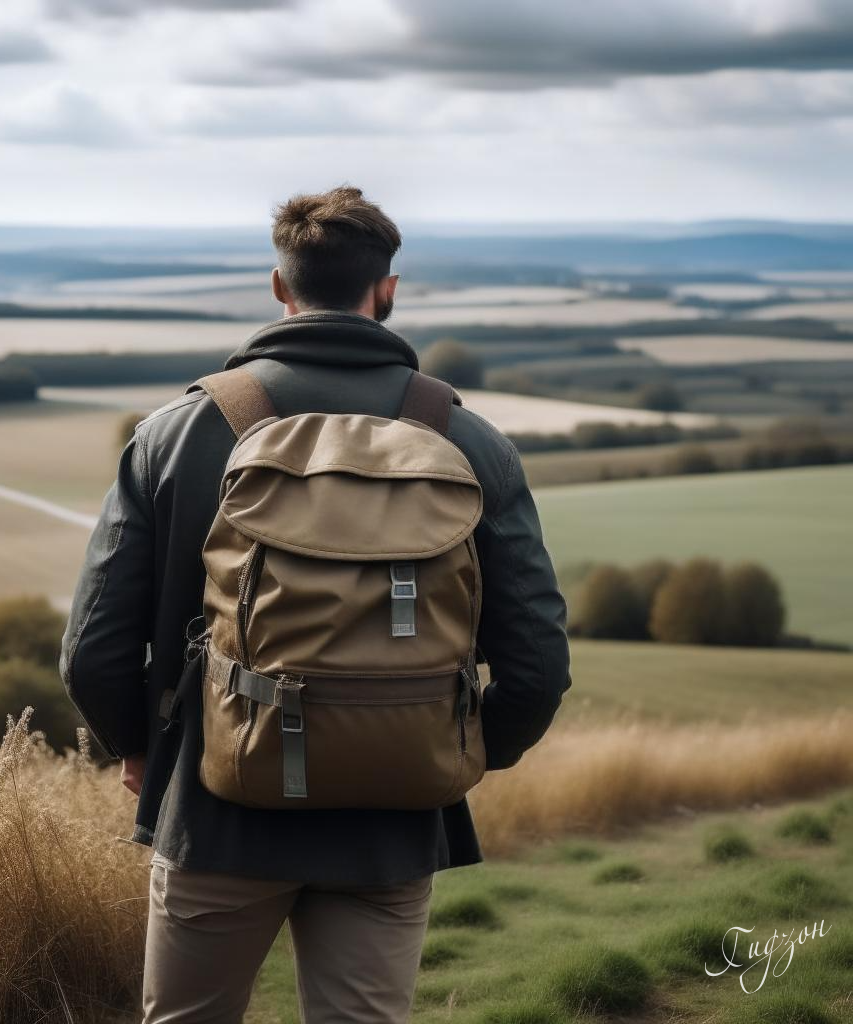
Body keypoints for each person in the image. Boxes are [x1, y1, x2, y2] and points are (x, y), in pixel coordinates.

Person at [59, 184, 572, 1024]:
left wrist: (140, 745)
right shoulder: (467, 441)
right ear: (388, 290)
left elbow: (93, 648)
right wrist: (456, 746)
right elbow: (540, 664)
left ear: (278, 287)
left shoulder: (179, 433)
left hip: (216, 807)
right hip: (394, 820)